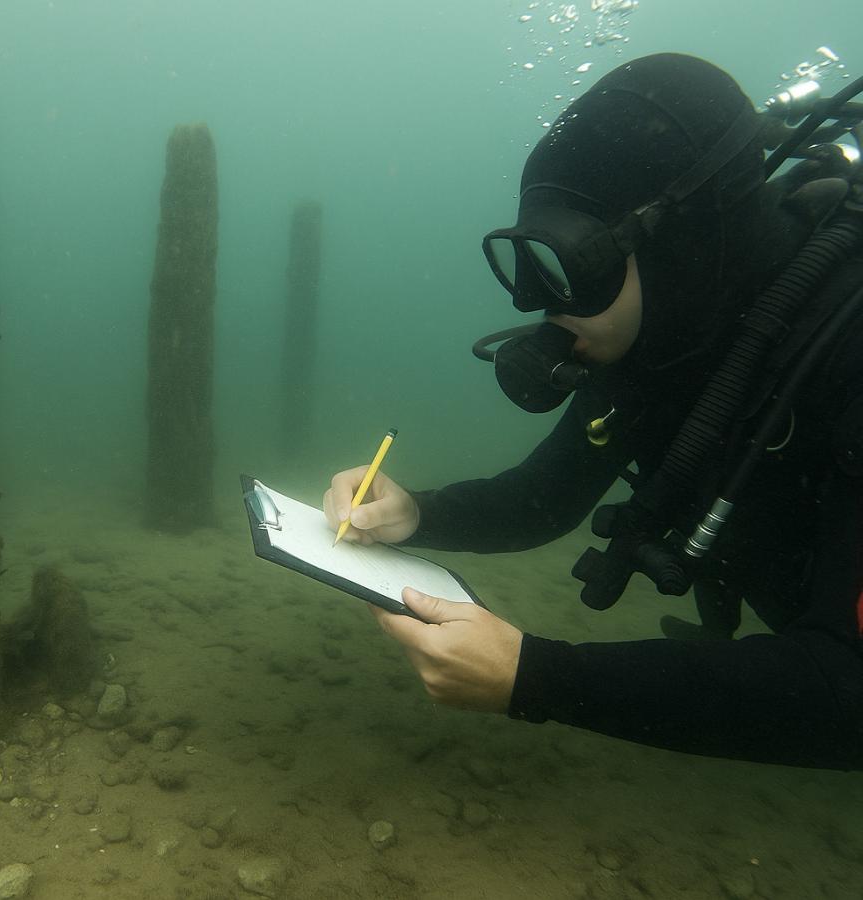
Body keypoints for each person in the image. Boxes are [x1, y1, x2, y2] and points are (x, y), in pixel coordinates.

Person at [324, 53, 863, 769]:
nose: (544, 303)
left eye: (576, 260)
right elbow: (544, 500)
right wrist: (418, 513)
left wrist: (540, 678)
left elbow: (847, 692)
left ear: (685, 247)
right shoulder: (666, 340)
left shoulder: (846, 349)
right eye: (535, 261)